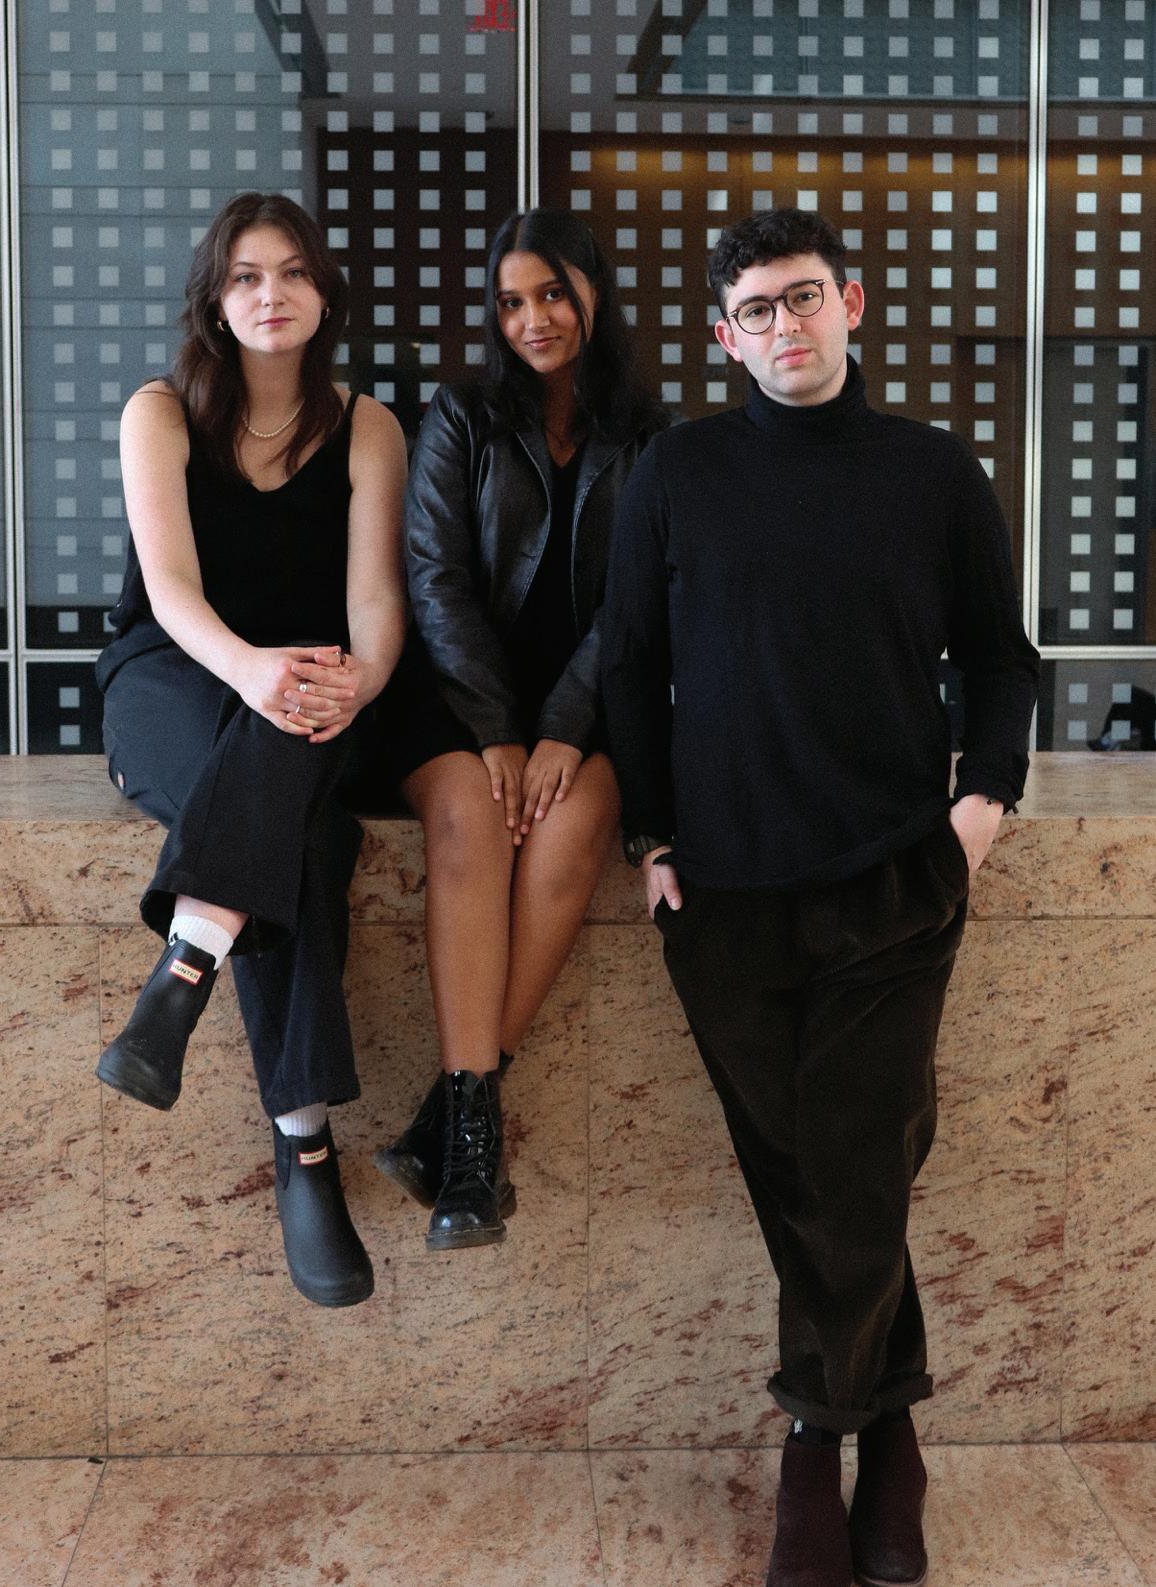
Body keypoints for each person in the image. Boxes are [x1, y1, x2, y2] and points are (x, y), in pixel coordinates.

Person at [600, 208, 1039, 1587]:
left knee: (853, 1167)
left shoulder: (932, 470)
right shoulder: (678, 470)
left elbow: (1003, 660)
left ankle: (812, 1447)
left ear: (852, 303)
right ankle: (892, 1433)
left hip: (894, 880)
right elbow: (629, 662)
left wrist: (982, 805)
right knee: (803, 1178)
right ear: (723, 337)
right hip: (724, 890)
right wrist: (650, 834)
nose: (782, 325)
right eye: (755, 310)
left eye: (802, 298)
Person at [94, 192, 407, 1309]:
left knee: (302, 811)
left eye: (292, 272)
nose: (271, 294)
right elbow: (172, 591)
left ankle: (184, 970)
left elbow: (376, 604)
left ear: (324, 293)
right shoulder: (160, 412)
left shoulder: (367, 428)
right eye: (245, 276)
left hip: (311, 687)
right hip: (173, 677)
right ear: (215, 301)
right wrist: (253, 672)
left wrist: (364, 677)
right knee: (299, 835)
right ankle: (304, 1147)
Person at [368, 208, 666, 1252]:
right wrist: (499, 728)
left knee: (574, 829)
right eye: (509, 302)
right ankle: (469, 1145)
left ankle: (451, 1123)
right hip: (458, 694)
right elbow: (434, 578)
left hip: (593, 700)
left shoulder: (649, 433)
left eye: (550, 294)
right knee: (474, 823)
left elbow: (638, 602)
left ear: (592, 291)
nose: (531, 319)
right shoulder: (460, 415)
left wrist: (566, 727)